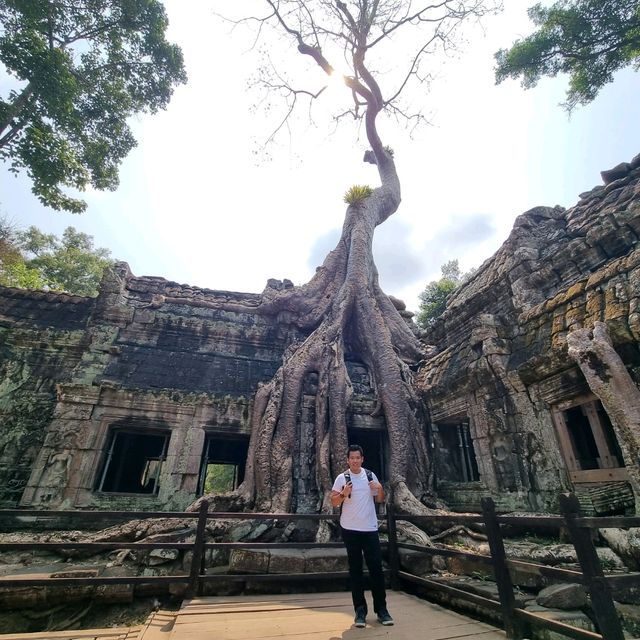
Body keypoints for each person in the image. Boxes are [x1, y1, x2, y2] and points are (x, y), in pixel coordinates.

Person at [331, 444, 394, 628]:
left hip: (369, 528)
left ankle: (381, 610)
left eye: (358, 458)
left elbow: (379, 499)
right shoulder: (342, 478)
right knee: (355, 570)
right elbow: (334, 501)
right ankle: (360, 611)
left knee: (376, 570)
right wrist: (344, 493)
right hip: (350, 529)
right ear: (348, 460)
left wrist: (380, 488)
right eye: (352, 458)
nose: (355, 461)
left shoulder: (370, 476)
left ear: (362, 459)